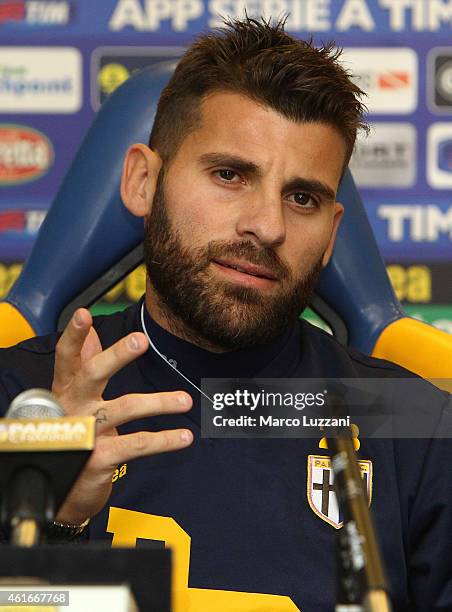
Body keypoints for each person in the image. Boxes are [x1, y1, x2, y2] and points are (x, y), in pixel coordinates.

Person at [0, 17, 451, 612]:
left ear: (332, 232)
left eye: (303, 198)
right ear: (143, 182)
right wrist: (58, 523)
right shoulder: (20, 399)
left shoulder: (416, 425)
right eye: (230, 175)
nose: (267, 226)